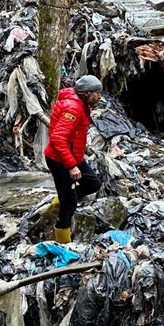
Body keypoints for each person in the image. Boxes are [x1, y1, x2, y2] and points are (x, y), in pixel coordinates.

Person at [44, 75, 103, 243]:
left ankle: (58, 202)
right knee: (70, 204)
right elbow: (58, 139)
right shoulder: (73, 109)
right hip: (59, 159)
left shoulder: (82, 104)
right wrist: (71, 166)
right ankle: (62, 242)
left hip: (72, 155)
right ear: (86, 93)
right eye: (97, 93)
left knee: (93, 183)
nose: (100, 97)